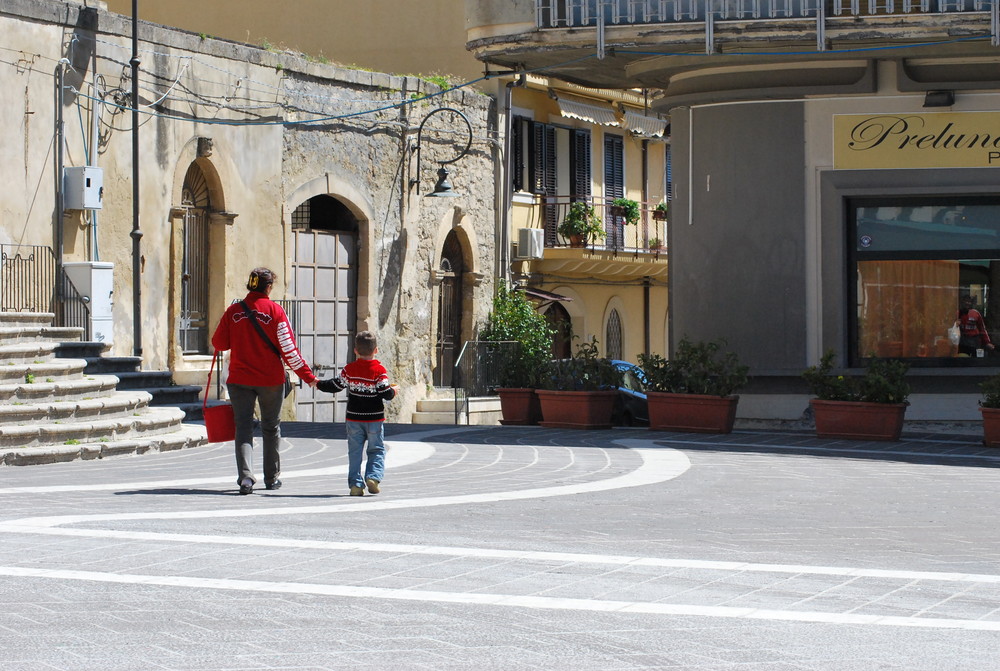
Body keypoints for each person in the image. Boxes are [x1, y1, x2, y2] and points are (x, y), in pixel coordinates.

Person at [211, 267, 318, 495]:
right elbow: (289, 350)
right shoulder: (275, 311)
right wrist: (309, 378)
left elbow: (219, 343)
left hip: (239, 379)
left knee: (243, 427)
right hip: (270, 380)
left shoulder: (233, 311)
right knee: (271, 427)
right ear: (268, 287)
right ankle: (271, 478)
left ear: (250, 285)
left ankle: (246, 478)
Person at [317, 330, 397, 496]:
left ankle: (355, 485)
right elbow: (385, 393)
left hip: (353, 418)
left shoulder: (350, 369)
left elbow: (335, 385)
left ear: (355, 350)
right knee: (376, 449)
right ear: (376, 350)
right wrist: (394, 390)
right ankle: (373, 478)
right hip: (374, 419)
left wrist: (317, 383)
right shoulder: (379, 370)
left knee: (355, 452)